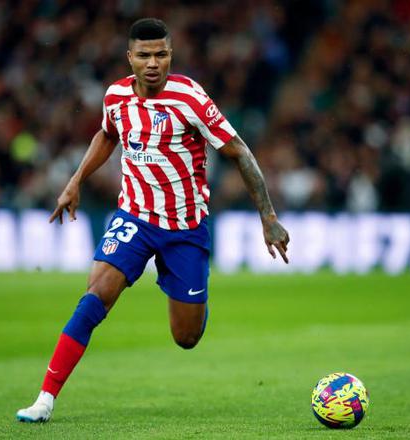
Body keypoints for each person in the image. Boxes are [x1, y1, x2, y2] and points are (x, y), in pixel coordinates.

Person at [16, 17, 290, 423]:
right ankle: (45, 399)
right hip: (135, 219)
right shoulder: (115, 96)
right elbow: (107, 135)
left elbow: (239, 151)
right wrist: (75, 181)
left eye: (161, 54)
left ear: (170, 55)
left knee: (186, 337)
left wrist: (268, 216)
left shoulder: (190, 98)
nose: (153, 63)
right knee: (95, 297)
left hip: (185, 228)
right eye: (144, 55)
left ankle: (192, 293)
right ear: (130, 57)